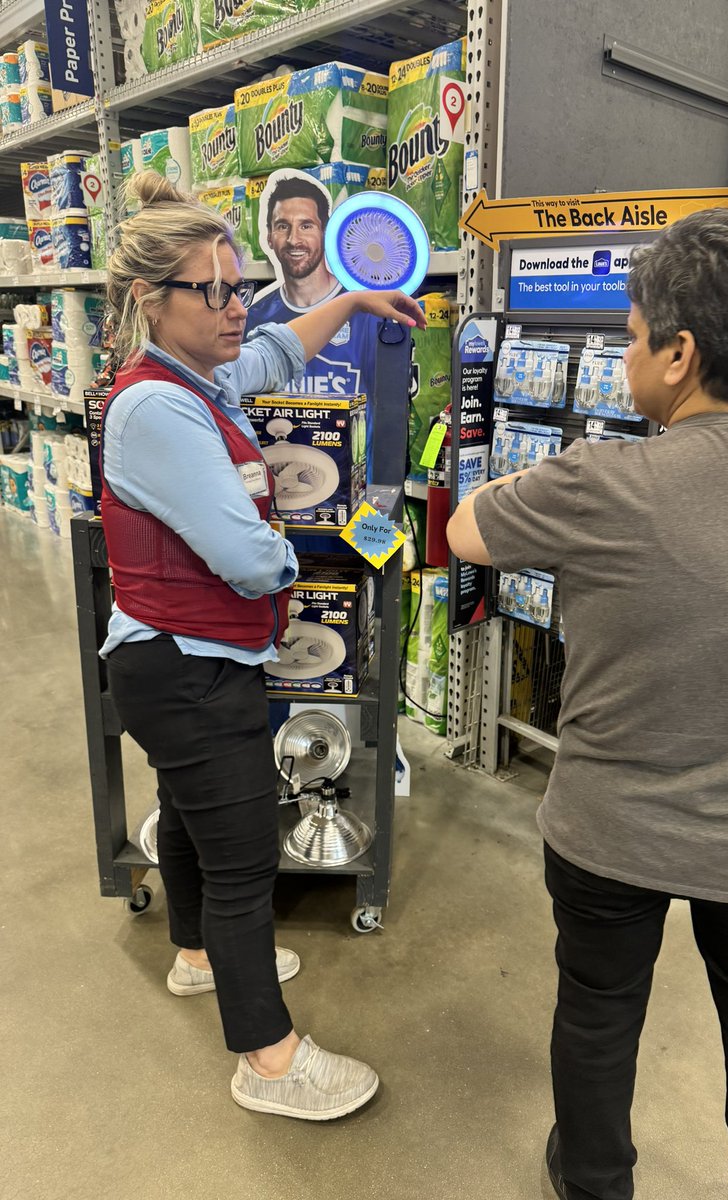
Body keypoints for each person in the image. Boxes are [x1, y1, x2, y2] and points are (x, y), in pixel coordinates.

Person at [447, 208, 728, 1200]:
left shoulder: (597, 482)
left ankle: (596, 1181)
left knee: (600, 1009)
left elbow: (465, 529)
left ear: (680, 354)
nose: (626, 354)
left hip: (612, 830)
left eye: (632, 336)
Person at [100, 171, 425, 1121]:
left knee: (197, 822)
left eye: (239, 286)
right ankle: (269, 1061)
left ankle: (197, 956)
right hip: (185, 666)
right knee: (245, 858)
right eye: (214, 291)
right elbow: (245, 557)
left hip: (189, 660)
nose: (238, 306)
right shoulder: (156, 408)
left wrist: (356, 299)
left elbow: (284, 349)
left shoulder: (202, 375)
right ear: (149, 303)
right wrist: (295, 553)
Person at [244, 172, 378, 403]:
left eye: (306, 225)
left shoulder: (368, 314)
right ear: (268, 237)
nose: (294, 239)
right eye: (282, 226)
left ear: (325, 233)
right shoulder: (251, 320)